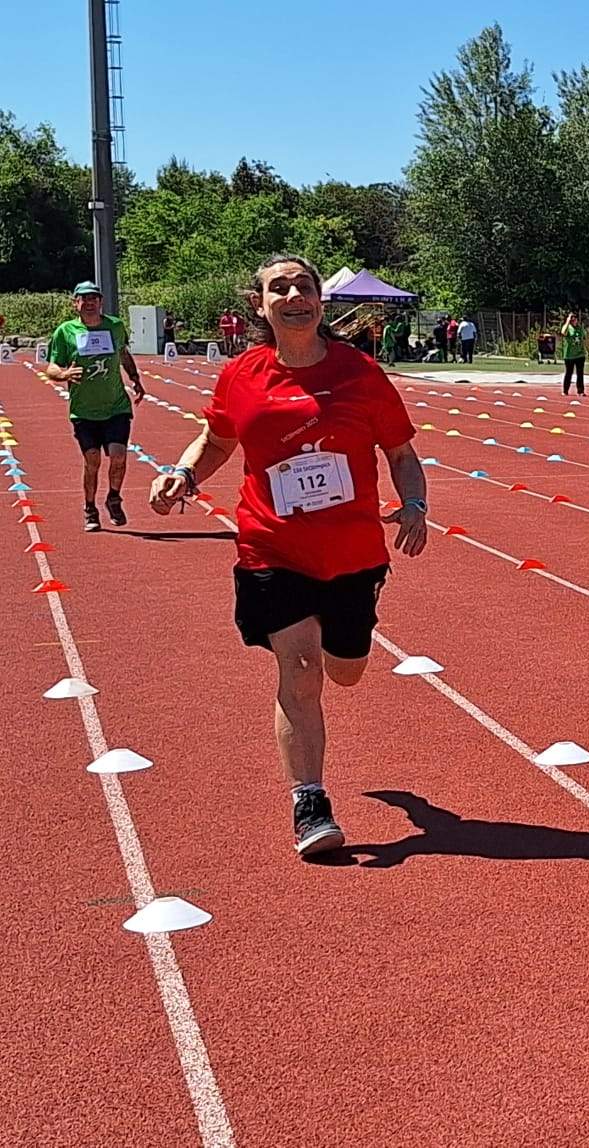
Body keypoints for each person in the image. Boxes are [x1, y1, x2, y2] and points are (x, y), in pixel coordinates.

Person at [146, 253, 428, 857]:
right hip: (270, 547)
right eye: (281, 288)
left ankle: (344, 640)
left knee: (345, 670)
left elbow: (401, 453)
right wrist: (184, 474)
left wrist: (415, 506)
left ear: (320, 302)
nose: (295, 295)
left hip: (352, 551)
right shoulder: (242, 375)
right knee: (298, 672)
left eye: (305, 286)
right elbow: (217, 439)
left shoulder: (361, 374)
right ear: (260, 304)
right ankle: (310, 801)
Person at [47, 281, 146, 532]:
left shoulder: (114, 326)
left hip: (116, 407)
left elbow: (123, 354)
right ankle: (90, 508)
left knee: (119, 456)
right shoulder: (65, 332)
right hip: (84, 410)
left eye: (94, 298)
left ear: (100, 302)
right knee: (92, 461)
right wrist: (64, 374)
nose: (89, 303)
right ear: (75, 304)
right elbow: (51, 368)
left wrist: (135, 379)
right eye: (84, 299)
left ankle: (114, 497)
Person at [559, 311, 587, 395]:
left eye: (574, 319)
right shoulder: (568, 328)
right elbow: (563, 332)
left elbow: (584, 338)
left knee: (580, 373)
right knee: (569, 373)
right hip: (569, 355)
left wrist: (586, 349)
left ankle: (580, 391)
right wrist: (567, 321)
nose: (573, 320)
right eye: (572, 319)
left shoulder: (580, 328)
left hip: (580, 354)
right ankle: (565, 390)